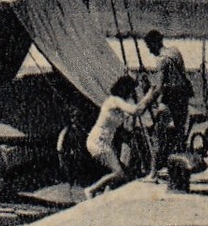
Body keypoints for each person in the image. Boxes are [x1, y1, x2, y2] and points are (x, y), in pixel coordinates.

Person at [83, 75, 159, 200]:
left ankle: (104, 194)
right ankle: (91, 190)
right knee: (119, 173)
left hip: (105, 142)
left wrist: (148, 97)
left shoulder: (121, 103)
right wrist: (149, 95)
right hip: (97, 141)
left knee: (118, 172)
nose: (131, 94)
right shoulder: (114, 101)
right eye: (130, 91)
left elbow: (137, 112)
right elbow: (135, 110)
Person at [143, 29, 194, 162]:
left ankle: (155, 169)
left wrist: (147, 100)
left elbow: (159, 87)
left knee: (158, 134)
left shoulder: (161, 60)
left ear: (154, 44)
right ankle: (181, 163)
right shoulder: (175, 51)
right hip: (183, 94)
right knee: (180, 132)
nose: (150, 51)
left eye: (149, 47)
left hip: (171, 97)